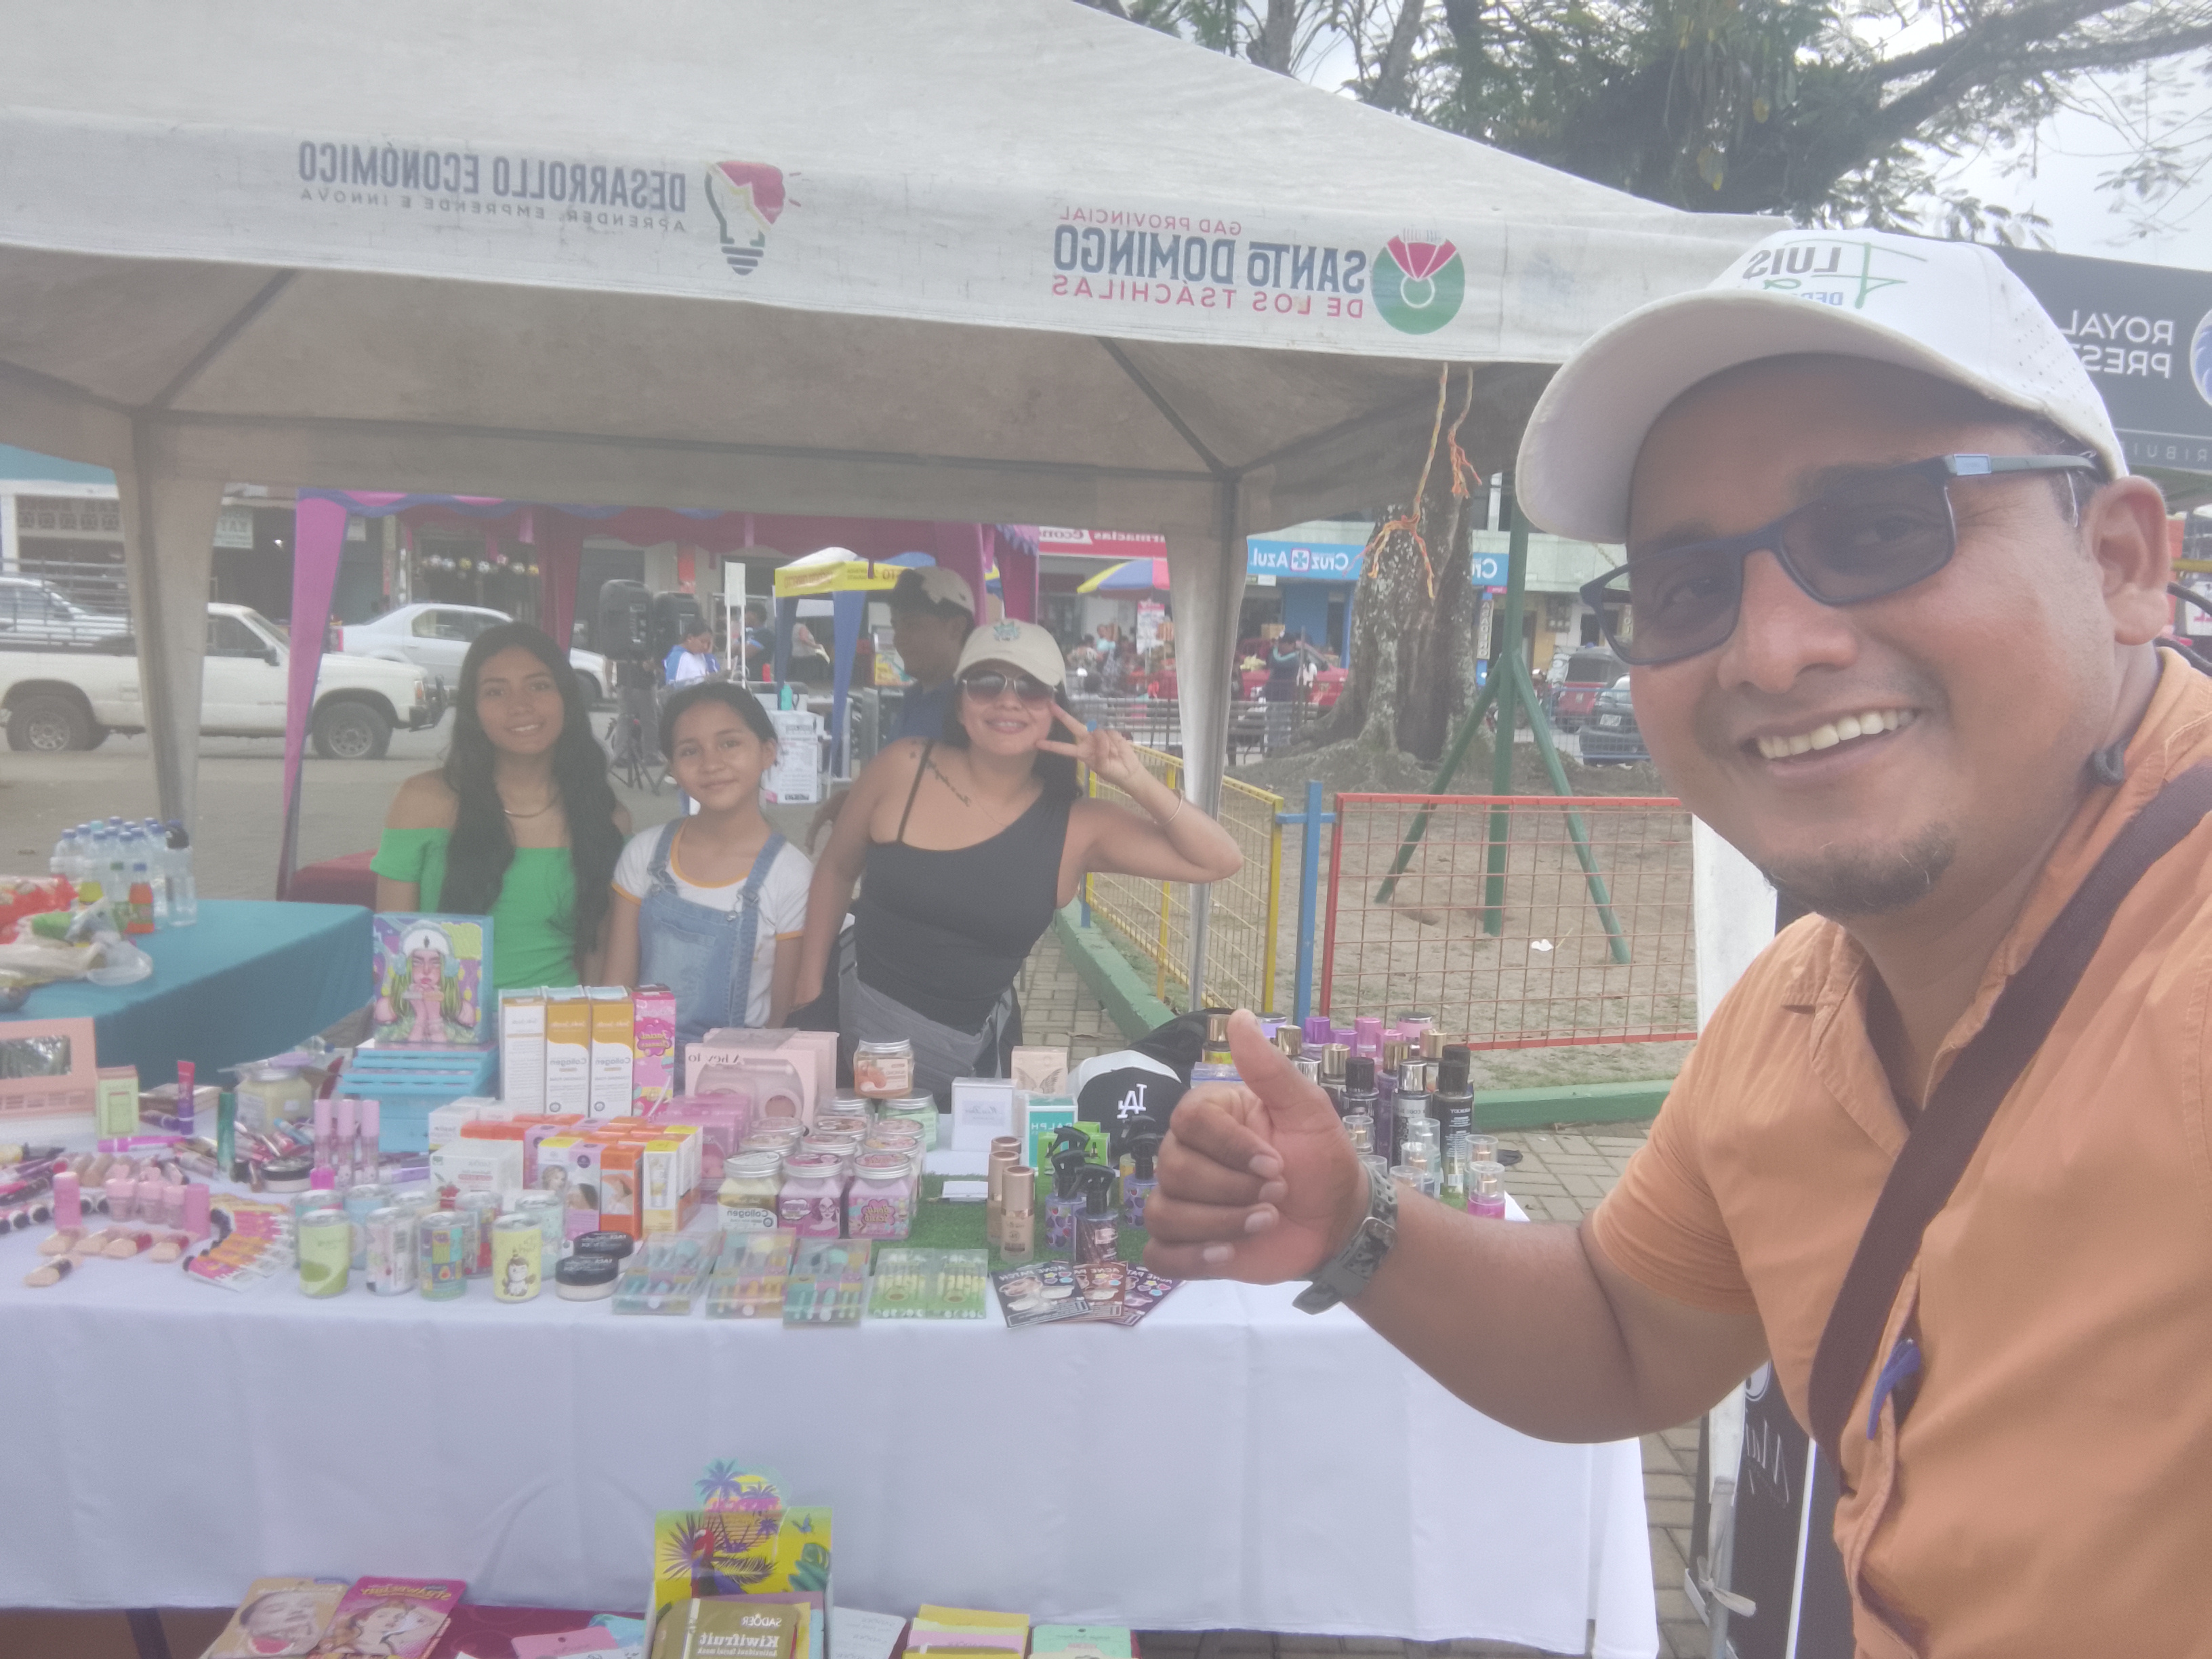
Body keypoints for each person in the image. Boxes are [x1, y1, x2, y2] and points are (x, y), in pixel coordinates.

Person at [1143, 227, 2203, 1654]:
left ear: (2121, 560)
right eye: (1687, 587)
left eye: (1875, 531)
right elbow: (1624, 1328)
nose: (1771, 649)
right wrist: (1352, 1226)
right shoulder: (1797, 1009)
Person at [795, 619, 1243, 1103]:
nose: (1008, 701)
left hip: (961, 1069)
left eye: (1030, 688)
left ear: (1055, 708)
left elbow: (1219, 860)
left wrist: (1133, 778)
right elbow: (836, 870)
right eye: (987, 683)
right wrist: (807, 993)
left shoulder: (1077, 826)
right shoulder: (902, 767)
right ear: (960, 703)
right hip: (847, 1027)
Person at [373, 622, 629, 989]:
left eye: (539, 686)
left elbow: (599, 953)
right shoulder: (422, 801)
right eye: (495, 692)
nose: (520, 705)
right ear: (473, 710)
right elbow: (394, 954)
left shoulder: (606, 817)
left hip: (559, 1021)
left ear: (567, 699)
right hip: (444, 1023)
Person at [602, 682, 813, 1040]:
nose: (711, 764)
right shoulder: (644, 854)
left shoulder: (791, 875)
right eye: (690, 751)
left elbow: (781, 1024)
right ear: (672, 766)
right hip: (644, 1062)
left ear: (767, 752)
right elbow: (616, 988)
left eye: (729, 744)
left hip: (743, 1067)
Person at [806, 567, 977, 849]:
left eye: (912, 625)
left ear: (956, 628)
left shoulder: (977, 708)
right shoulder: (915, 696)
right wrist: (855, 798)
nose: (898, 638)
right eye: (896, 626)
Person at [662, 618, 718, 686]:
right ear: (690, 638)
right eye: (702, 642)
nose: (705, 647)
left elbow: (717, 679)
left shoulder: (702, 656)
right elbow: (672, 686)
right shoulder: (677, 657)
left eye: (708, 643)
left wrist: (708, 655)